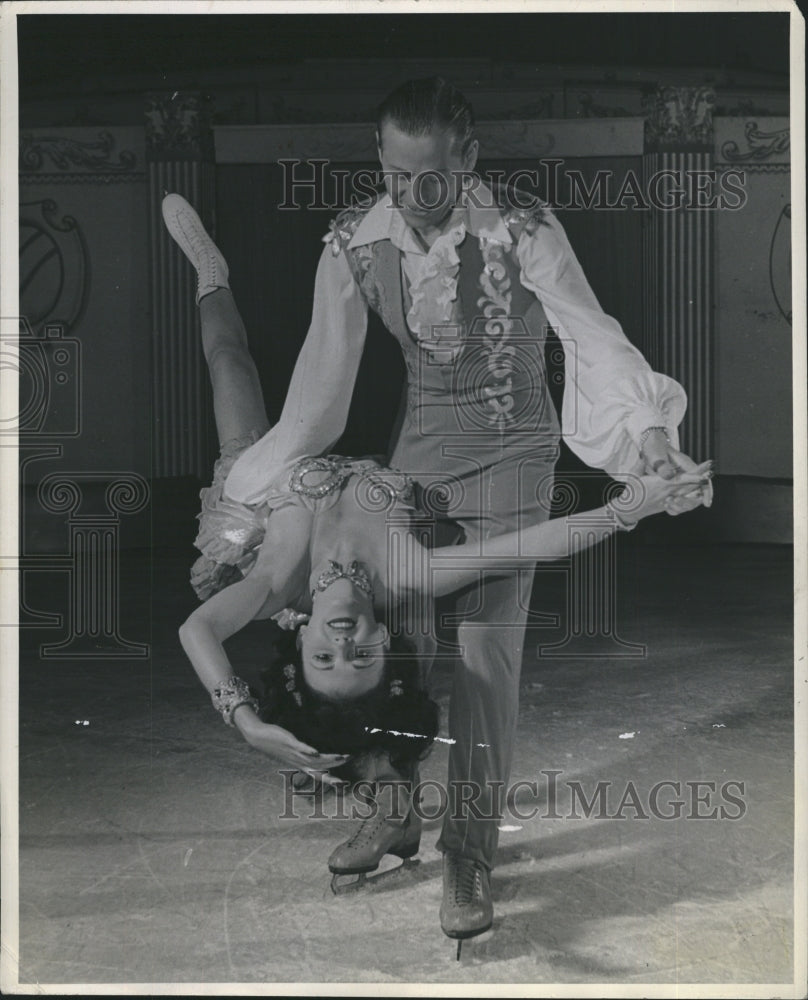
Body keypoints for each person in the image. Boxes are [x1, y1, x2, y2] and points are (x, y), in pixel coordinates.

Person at [167, 72, 711, 936]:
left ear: (468, 158)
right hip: (416, 459)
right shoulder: (351, 241)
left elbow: (591, 336)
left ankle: (469, 852)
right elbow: (317, 399)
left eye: (435, 177)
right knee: (401, 650)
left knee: (487, 656)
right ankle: (392, 805)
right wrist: (248, 507)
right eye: (395, 176)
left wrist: (648, 444)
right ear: (378, 161)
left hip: (513, 456)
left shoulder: (525, 226)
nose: (415, 197)